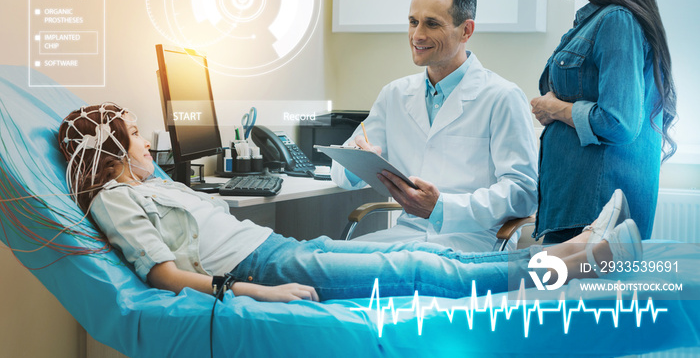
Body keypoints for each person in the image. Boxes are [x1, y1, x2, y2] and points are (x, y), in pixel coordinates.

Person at [58, 103, 639, 302]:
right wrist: (256, 291)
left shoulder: (144, 185)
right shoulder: (114, 199)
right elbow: (162, 273)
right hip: (259, 267)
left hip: (274, 248)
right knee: (421, 271)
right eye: (135, 134)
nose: (147, 142)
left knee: (438, 263)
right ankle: (577, 259)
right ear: (109, 153)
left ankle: (571, 250)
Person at [331, 0, 537, 252]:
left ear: (466, 31)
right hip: (404, 236)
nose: (417, 35)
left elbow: (523, 193)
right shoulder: (394, 94)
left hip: (472, 242)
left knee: (331, 268)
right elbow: (343, 175)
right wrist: (358, 157)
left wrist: (441, 208)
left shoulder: (502, 97)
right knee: (316, 254)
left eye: (432, 24)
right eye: (413, 22)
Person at [530, 0, 677, 244]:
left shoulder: (616, 21)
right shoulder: (597, 19)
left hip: (594, 218)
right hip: (580, 212)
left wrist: (556, 108)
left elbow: (619, 122)